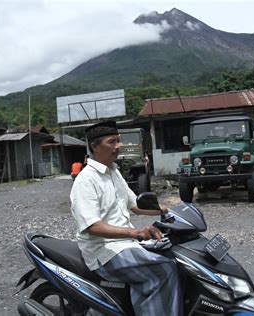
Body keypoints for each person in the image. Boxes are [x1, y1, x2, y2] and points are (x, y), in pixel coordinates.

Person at [70, 121, 183, 316]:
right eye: (112, 142)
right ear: (95, 147)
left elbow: (136, 205)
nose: (118, 146)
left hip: (125, 244)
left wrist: (168, 210)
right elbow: (92, 226)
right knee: (163, 271)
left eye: (119, 141)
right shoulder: (86, 180)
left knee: (177, 258)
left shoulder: (114, 172)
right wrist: (136, 232)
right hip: (105, 252)